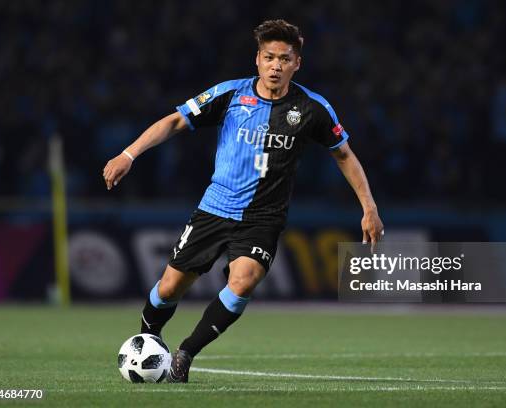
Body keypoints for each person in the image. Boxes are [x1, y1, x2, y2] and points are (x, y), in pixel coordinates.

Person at [102, 19, 384, 383]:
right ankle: (148, 340)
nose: (276, 66)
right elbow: (175, 122)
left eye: (284, 59)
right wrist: (129, 154)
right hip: (214, 209)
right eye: (269, 57)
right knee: (169, 287)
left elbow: (343, 154)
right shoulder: (231, 94)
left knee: (244, 280)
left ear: (297, 63)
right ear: (257, 59)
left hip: (263, 218)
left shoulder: (312, 108)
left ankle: (185, 354)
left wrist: (369, 207)